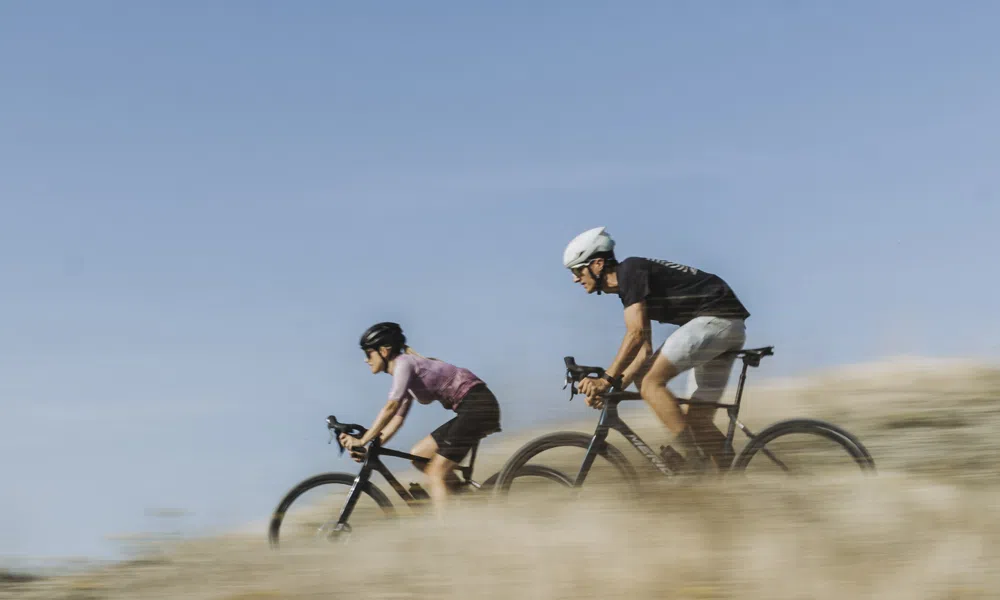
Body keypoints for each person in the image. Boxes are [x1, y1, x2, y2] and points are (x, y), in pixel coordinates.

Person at [562, 226, 750, 471]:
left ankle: (694, 464)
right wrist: (615, 388)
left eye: (578, 270)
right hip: (727, 326)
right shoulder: (632, 283)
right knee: (696, 421)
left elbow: (636, 333)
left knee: (651, 383)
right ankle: (730, 477)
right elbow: (644, 351)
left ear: (597, 264)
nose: (576, 278)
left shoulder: (630, 271)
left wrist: (605, 381)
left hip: (715, 319)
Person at [339, 322, 502, 514]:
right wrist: (369, 448)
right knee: (420, 455)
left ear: (384, 351)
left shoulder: (404, 364)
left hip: (478, 407)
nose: (366, 360)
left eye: (368, 354)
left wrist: (362, 440)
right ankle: (465, 502)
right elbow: (397, 419)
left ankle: (448, 532)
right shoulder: (406, 373)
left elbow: (390, 407)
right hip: (470, 409)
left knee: (436, 473)